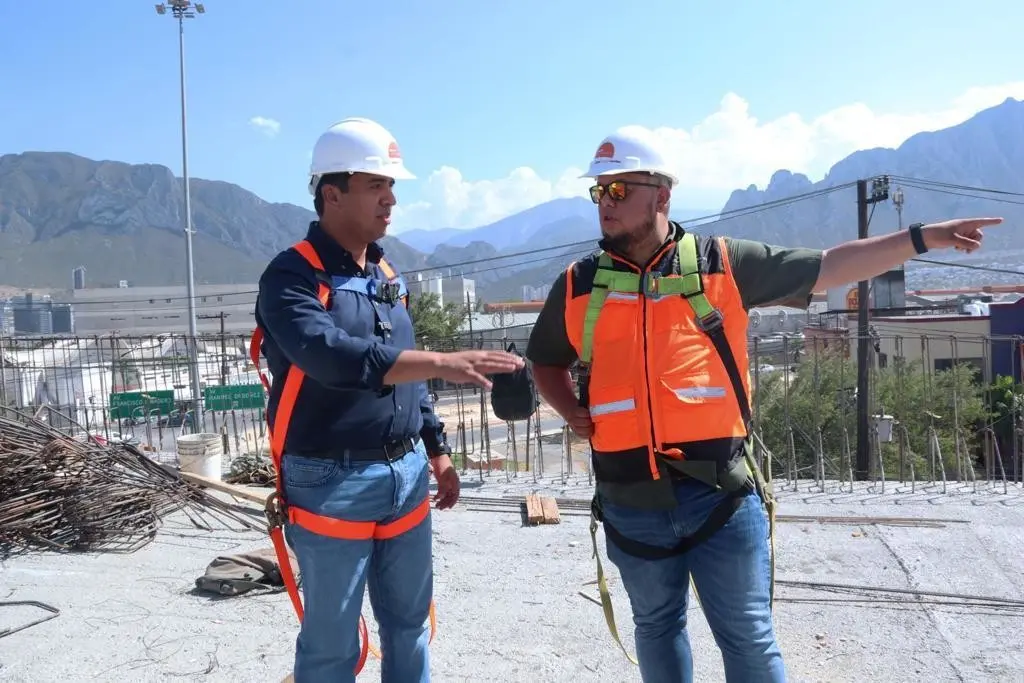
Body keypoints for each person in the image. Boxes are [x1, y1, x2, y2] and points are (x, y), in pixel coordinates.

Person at [524, 125, 1002, 683]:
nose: (605, 204)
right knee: (656, 628)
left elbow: (829, 266)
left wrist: (921, 238)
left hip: (719, 496)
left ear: (661, 195)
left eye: (618, 190)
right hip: (629, 499)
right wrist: (568, 409)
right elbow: (545, 360)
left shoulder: (722, 264)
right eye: (599, 192)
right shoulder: (579, 284)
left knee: (749, 636)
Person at [252, 117, 524, 683]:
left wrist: (438, 450)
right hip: (331, 481)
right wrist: (444, 362)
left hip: (406, 475)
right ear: (332, 193)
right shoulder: (291, 277)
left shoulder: (383, 270)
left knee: (409, 627)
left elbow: (404, 366)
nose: (391, 199)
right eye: (378, 185)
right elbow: (333, 357)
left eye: (392, 186)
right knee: (331, 648)